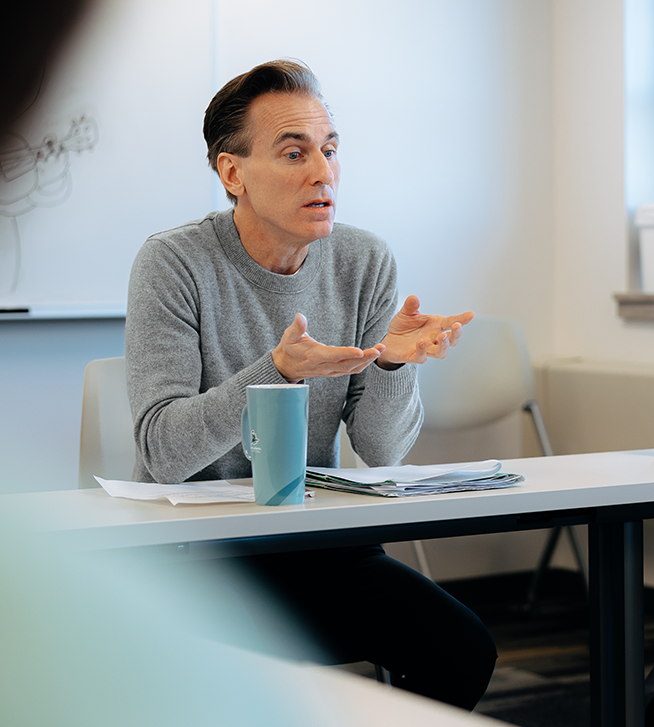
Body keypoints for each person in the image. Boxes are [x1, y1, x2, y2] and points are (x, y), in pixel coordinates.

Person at [124, 59, 496, 710]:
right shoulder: (173, 262)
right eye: (294, 152)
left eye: (329, 151)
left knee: (462, 649)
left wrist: (390, 364)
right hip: (195, 560)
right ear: (231, 172)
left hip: (316, 545)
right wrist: (278, 370)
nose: (323, 173)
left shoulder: (363, 260)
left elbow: (383, 452)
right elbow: (163, 452)